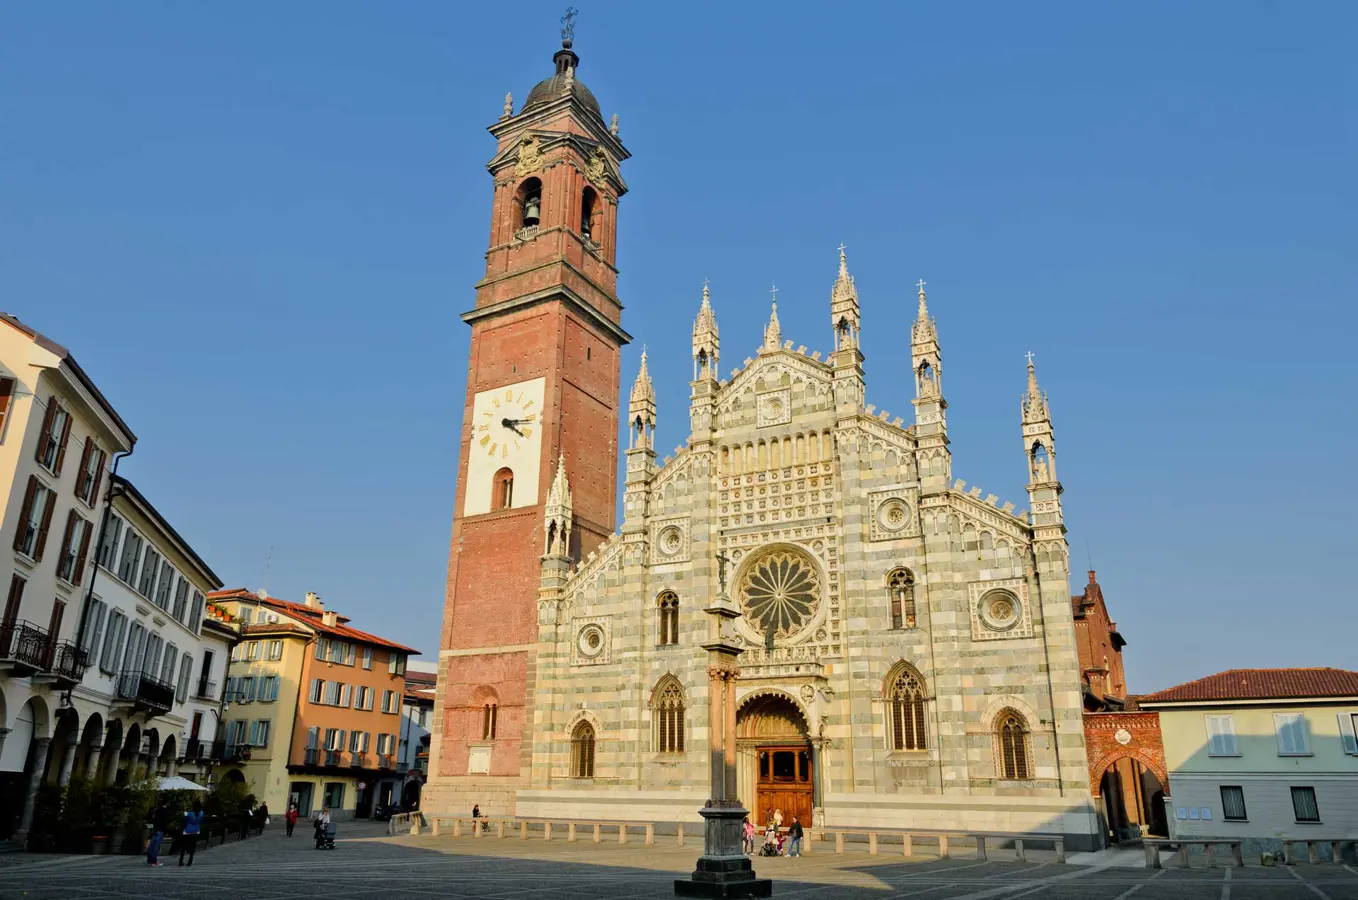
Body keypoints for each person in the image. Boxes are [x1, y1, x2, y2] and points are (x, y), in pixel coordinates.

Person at [179, 800, 204, 866]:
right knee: (193, 846)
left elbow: (184, 819)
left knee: (184, 846)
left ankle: (181, 861)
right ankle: (190, 860)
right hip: (196, 830)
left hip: (187, 830)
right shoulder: (201, 813)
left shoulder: (189, 814)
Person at [146, 798, 170, 866]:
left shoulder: (156, 810)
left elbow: (150, 817)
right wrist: (166, 831)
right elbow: (165, 822)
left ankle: (150, 860)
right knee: (156, 846)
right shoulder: (164, 811)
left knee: (151, 845)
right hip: (159, 830)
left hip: (153, 829)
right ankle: (154, 861)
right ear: (167, 803)